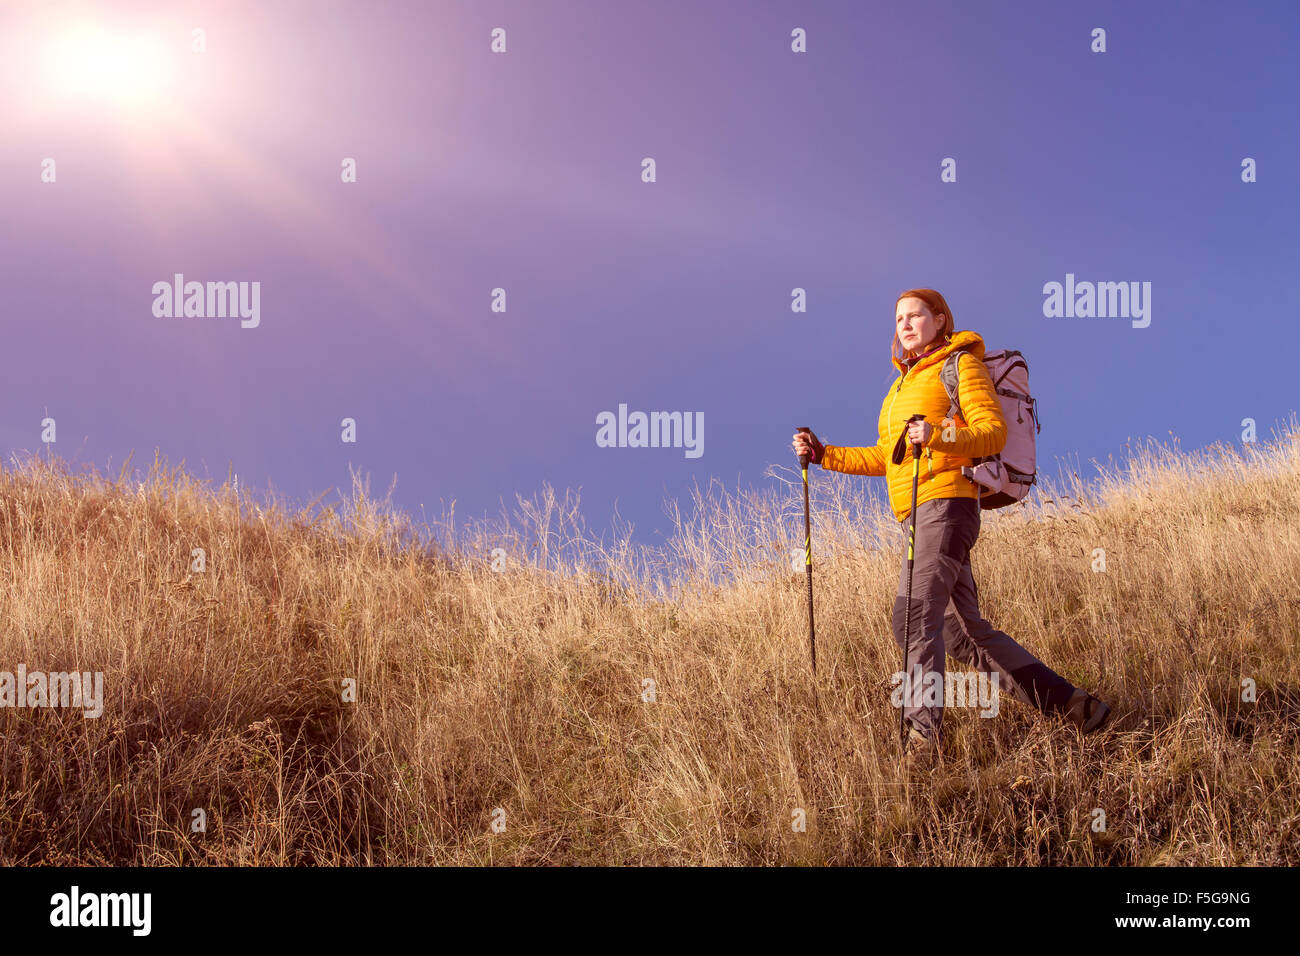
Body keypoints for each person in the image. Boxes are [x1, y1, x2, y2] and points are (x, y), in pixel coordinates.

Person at [792, 288, 1111, 765]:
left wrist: (938, 432)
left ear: (940, 320)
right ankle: (1074, 706)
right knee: (962, 632)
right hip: (919, 514)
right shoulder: (901, 386)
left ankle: (922, 744)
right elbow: (889, 456)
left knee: (912, 619)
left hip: (945, 505)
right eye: (898, 317)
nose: (904, 324)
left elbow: (991, 432)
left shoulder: (959, 364)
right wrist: (824, 454)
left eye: (915, 315)